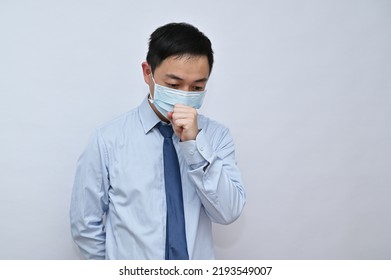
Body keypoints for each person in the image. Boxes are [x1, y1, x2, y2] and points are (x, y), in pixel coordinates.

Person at [70, 22, 246, 260]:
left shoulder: (216, 136)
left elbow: (228, 212)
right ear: (147, 73)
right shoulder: (107, 140)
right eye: (173, 85)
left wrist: (195, 145)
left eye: (196, 87)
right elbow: (85, 224)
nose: (184, 95)